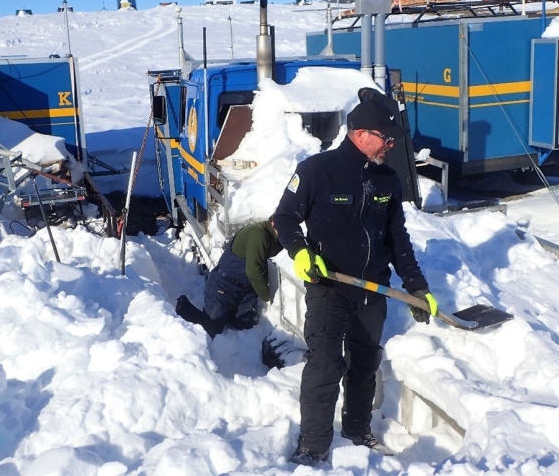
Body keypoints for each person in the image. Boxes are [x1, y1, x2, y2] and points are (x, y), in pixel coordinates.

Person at [272, 97, 439, 466]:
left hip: (373, 290)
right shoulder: (317, 171)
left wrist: (417, 287)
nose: (391, 145)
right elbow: (283, 218)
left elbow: (397, 238)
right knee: (325, 365)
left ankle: (358, 429)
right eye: (385, 137)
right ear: (360, 133)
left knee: (365, 364)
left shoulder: (387, 178)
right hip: (330, 287)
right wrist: (301, 252)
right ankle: (313, 447)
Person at [176, 217, 284, 338]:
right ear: (273, 222)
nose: (288, 230)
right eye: (286, 225)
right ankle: (183, 306)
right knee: (211, 329)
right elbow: (253, 271)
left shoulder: (274, 235)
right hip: (224, 286)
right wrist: (267, 297)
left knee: (246, 325)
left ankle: (226, 313)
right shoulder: (257, 234)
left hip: (245, 290)